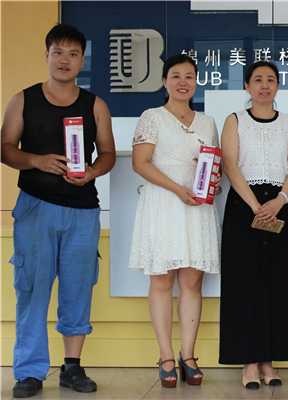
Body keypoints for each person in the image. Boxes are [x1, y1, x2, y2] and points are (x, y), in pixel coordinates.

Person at [0, 24, 115, 398]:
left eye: (73, 54)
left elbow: (108, 153)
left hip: (82, 211)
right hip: (36, 207)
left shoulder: (95, 105)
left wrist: (92, 172)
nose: (65, 60)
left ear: (82, 60)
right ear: (47, 55)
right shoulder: (23, 100)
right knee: (31, 289)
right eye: (58, 52)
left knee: (78, 288)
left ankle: (72, 367)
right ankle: (29, 372)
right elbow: (5, 148)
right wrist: (36, 160)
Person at [128, 54, 220, 387]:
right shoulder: (152, 117)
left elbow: (214, 163)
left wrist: (213, 181)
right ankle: (166, 356)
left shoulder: (207, 122)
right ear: (165, 81)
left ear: (196, 82)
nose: (183, 82)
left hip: (197, 207)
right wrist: (178, 189)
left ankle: (188, 355)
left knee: (192, 283)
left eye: (189, 76)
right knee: (162, 281)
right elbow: (140, 163)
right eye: (176, 75)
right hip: (164, 204)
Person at [218, 61, 288, 389]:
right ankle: (249, 361)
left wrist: (280, 200)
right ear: (247, 87)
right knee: (244, 284)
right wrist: (256, 207)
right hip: (244, 206)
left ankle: (270, 360)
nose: (264, 85)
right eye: (258, 80)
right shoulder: (235, 120)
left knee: (278, 283)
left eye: (270, 80)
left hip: (280, 206)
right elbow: (230, 165)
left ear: (278, 85)